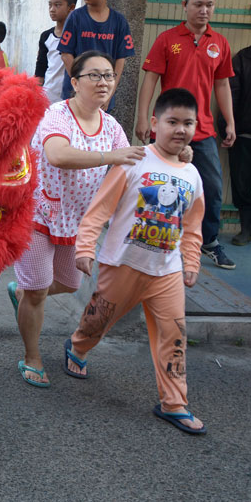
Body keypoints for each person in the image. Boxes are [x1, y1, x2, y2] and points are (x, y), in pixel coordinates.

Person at [65, 87, 206, 435]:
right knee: (98, 321)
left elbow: (192, 227)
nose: (180, 130)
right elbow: (100, 209)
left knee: (174, 336)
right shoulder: (133, 161)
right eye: (172, 121)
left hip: (167, 271)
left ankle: (174, 403)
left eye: (188, 123)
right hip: (122, 264)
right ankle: (77, 347)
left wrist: (191, 263)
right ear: (154, 123)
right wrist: (85, 249)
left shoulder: (193, 175)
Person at [9, 51, 144, 388]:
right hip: (39, 213)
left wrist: (173, 155)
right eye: (94, 75)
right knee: (39, 292)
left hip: (77, 223)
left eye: (109, 76)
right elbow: (57, 154)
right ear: (75, 82)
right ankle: (31, 357)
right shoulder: (57, 114)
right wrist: (110, 156)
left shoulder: (111, 126)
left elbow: (135, 166)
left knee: (69, 283)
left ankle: (23, 290)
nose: (103, 82)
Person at [136, 0, 236, 269]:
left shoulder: (219, 43)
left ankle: (210, 242)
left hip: (202, 129)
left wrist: (229, 122)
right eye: (198, 4)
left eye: (209, 5)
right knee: (160, 186)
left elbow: (223, 86)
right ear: (184, 5)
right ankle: (154, 242)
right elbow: (150, 80)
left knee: (213, 188)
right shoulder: (167, 40)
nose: (204, 10)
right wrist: (144, 119)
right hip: (167, 129)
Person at [57, 0, 135, 110]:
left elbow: (120, 60)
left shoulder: (119, 22)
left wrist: (109, 92)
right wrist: (81, 85)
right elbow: (66, 55)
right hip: (76, 95)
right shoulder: (75, 17)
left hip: (102, 97)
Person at [35, 0, 77, 103]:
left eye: (57, 5)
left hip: (70, 96)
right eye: (50, 5)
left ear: (71, 8)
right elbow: (41, 66)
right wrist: (36, 92)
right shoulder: (46, 36)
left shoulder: (77, 36)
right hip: (47, 96)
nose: (52, 9)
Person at [230, 44, 251, 245]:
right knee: (242, 184)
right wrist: (228, 127)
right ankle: (246, 229)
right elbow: (231, 94)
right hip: (245, 132)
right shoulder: (244, 58)